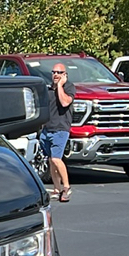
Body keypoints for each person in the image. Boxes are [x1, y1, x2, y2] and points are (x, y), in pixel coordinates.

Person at [39, 64, 74, 201]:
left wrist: (60, 86)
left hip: (61, 129)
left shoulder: (69, 87)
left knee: (56, 159)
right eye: (54, 72)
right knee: (51, 160)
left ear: (65, 75)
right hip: (47, 129)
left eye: (59, 72)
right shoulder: (47, 89)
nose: (56, 75)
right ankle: (56, 188)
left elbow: (65, 103)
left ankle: (66, 187)